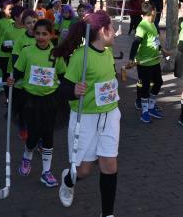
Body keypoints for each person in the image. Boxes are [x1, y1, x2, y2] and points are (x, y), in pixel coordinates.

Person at [54, 11, 120, 217]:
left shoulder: (108, 53)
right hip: (86, 118)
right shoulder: (80, 56)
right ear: (103, 31)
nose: (116, 33)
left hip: (110, 116)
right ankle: (68, 180)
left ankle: (107, 214)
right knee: (83, 170)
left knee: (109, 165)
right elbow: (62, 89)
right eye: (113, 28)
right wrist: (73, 91)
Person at [8, 19, 67, 187]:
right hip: (30, 99)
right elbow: (18, 72)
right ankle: (27, 156)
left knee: (48, 135)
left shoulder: (56, 54)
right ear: (33, 33)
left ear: (51, 35)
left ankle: (46, 172)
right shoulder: (27, 52)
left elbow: (63, 75)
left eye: (45, 34)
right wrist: (12, 79)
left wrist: (71, 89)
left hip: (51, 99)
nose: (41, 37)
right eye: (38, 33)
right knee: (33, 134)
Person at [126, 1, 168, 123]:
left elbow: (155, 41)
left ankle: (151, 106)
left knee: (158, 83)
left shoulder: (153, 24)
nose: (156, 12)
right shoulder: (142, 25)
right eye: (155, 10)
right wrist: (130, 59)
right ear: (152, 11)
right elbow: (135, 43)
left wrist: (162, 50)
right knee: (145, 87)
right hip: (144, 63)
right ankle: (144, 112)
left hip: (154, 61)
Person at [12, 9, 39, 140]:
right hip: (23, 80)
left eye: (34, 21)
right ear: (24, 24)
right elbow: (15, 59)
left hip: (38, 80)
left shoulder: (42, 37)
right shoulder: (20, 40)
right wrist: (17, 76)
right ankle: (23, 127)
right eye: (29, 23)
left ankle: (36, 130)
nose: (32, 25)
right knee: (24, 107)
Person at [0, 2, 15, 100]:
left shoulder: (17, 22)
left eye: (12, 9)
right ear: (3, 10)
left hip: (14, 53)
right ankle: (7, 98)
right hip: (3, 53)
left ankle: (13, 97)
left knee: (14, 77)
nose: (11, 11)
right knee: (6, 77)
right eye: (9, 9)